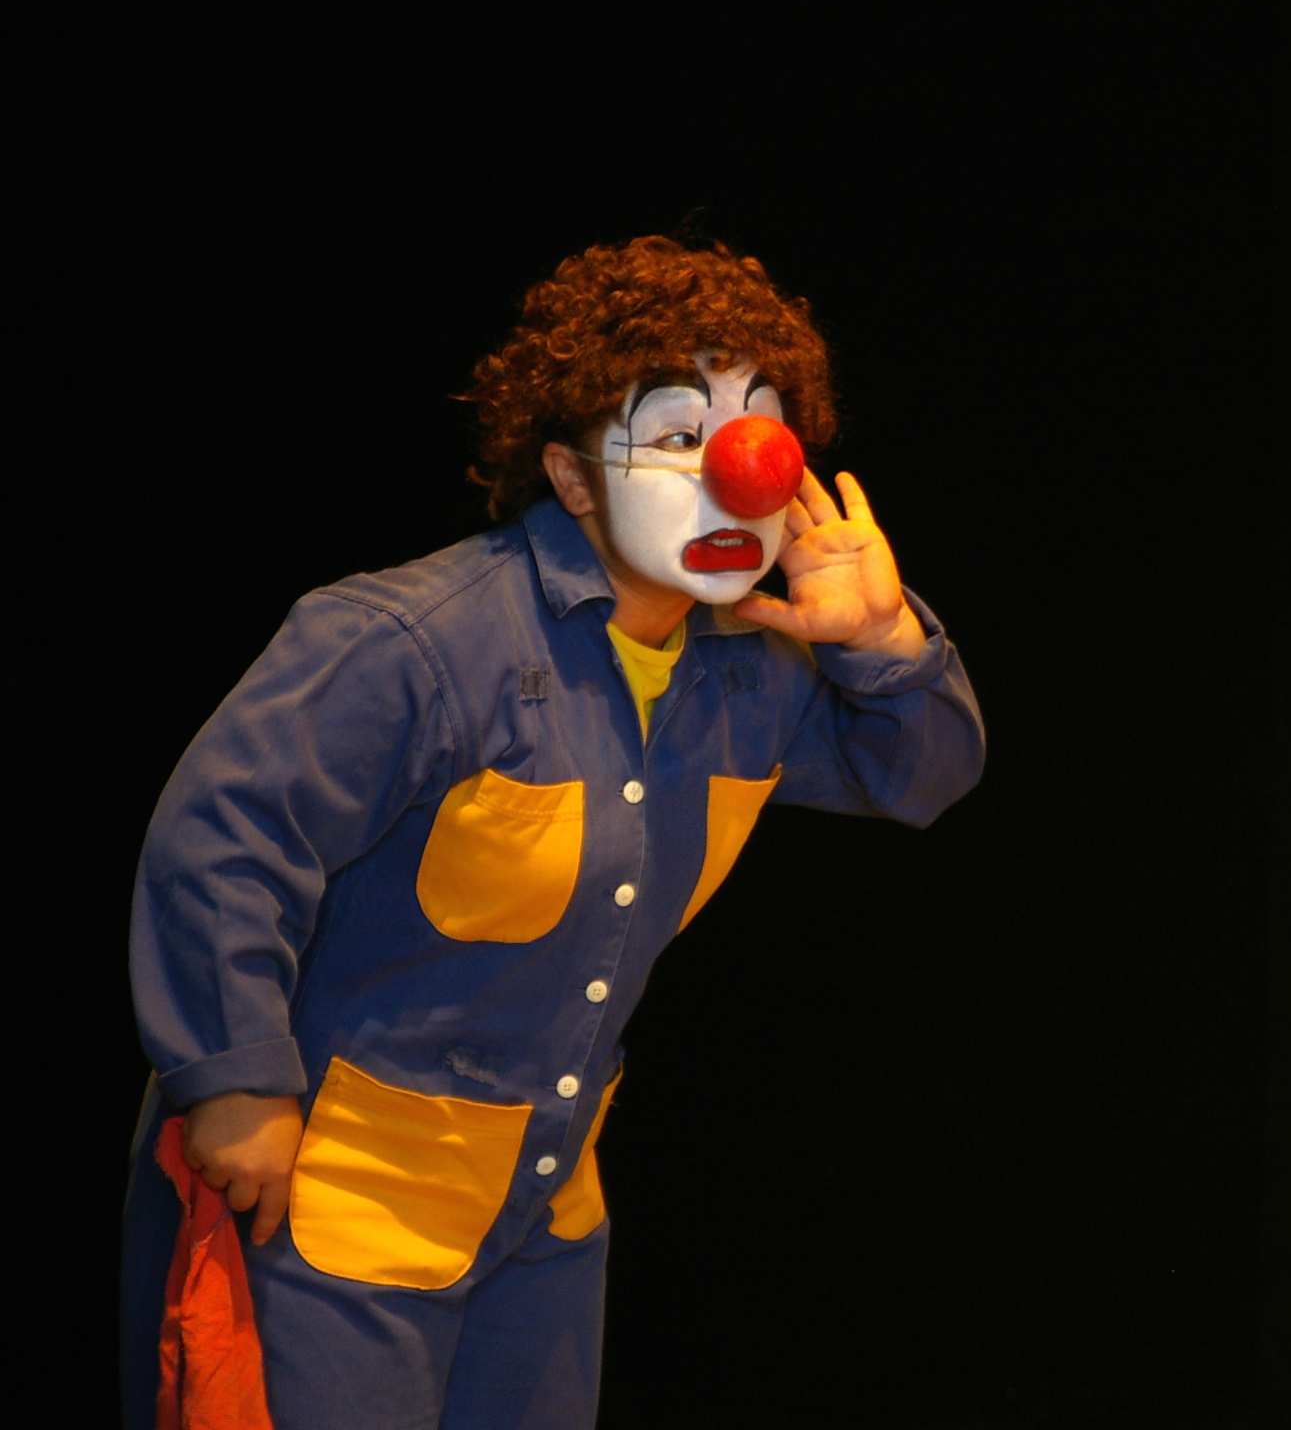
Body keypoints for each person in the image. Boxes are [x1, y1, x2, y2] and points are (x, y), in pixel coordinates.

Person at [120, 235, 985, 1429]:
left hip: (544, 1218)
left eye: (761, 431)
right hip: (330, 1200)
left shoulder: (752, 667)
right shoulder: (415, 639)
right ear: (574, 481)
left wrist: (884, 643)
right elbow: (226, 836)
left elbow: (922, 775)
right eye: (678, 435)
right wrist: (234, 1082)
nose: (742, 472)